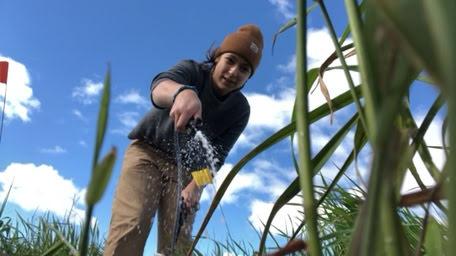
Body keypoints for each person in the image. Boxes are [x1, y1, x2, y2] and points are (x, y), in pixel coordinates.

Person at [103, 24, 264, 256]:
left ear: (249, 76)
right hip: (146, 155)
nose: (233, 72)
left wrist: (196, 187)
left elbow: (216, 157)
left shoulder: (240, 110)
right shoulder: (191, 70)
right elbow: (159, 88)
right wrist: (181, 92)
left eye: (244, 68)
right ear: (217, 58)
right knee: (132, 223)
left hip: (186, 172)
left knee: (178, 243)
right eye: (230, 60)